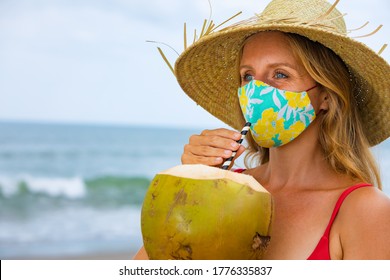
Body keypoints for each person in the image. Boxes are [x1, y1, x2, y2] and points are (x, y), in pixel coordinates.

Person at [135, 0, 390, 259]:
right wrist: (192, 186)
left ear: (326, 96)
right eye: (248, 76)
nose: (256, 91)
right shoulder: (223, 189)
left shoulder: (366, 211)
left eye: (280, 74)